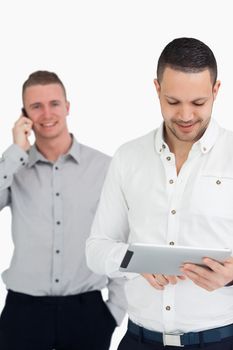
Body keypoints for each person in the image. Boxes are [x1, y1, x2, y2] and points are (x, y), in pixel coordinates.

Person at [86, 37, 233, 350]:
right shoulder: (128, 157)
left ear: (216, 91)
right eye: (173, 101)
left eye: (198, 103)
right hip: (139, 340)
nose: (185, 115)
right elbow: (96, 248)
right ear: (156, 89)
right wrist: (134, 261)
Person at [0, 70, 126, 350]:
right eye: (36, 106)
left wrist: (114, 311)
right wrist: (15, 151)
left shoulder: (104, 168)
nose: (47, 113)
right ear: (24, 115)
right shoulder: (13, 168)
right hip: (23, 312)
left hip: (87, 312)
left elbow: (122, 237)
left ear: (67, 107)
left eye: (54, 103)